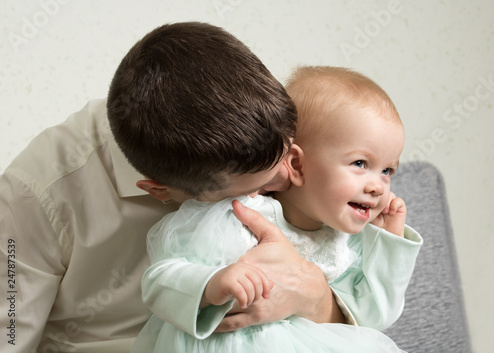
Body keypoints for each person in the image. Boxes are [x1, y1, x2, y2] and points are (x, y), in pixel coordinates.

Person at [0, 23, 343, 353]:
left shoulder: (261, 129)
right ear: (159, 190)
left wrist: (315, 297)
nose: (290, 179)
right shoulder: (33, 196)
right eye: (260, 187)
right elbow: (10, 336)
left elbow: (354, 300)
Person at [130, 66, 423, 352]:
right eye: (360, 164)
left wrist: (388, 243)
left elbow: (375, 317)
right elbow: (159, 281)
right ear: (296, 164)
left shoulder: (349, 245)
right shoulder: (238, 213)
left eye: (387, 170)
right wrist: (210, 284)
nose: (378, 186)